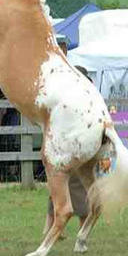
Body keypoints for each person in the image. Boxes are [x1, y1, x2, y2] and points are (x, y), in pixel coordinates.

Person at [43, 42, 93, 236]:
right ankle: (71, 232)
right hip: (67, 147)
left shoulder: (74, 90)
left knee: (73, 189)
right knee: (66, 190)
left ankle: (57, 231)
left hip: (73, 147)